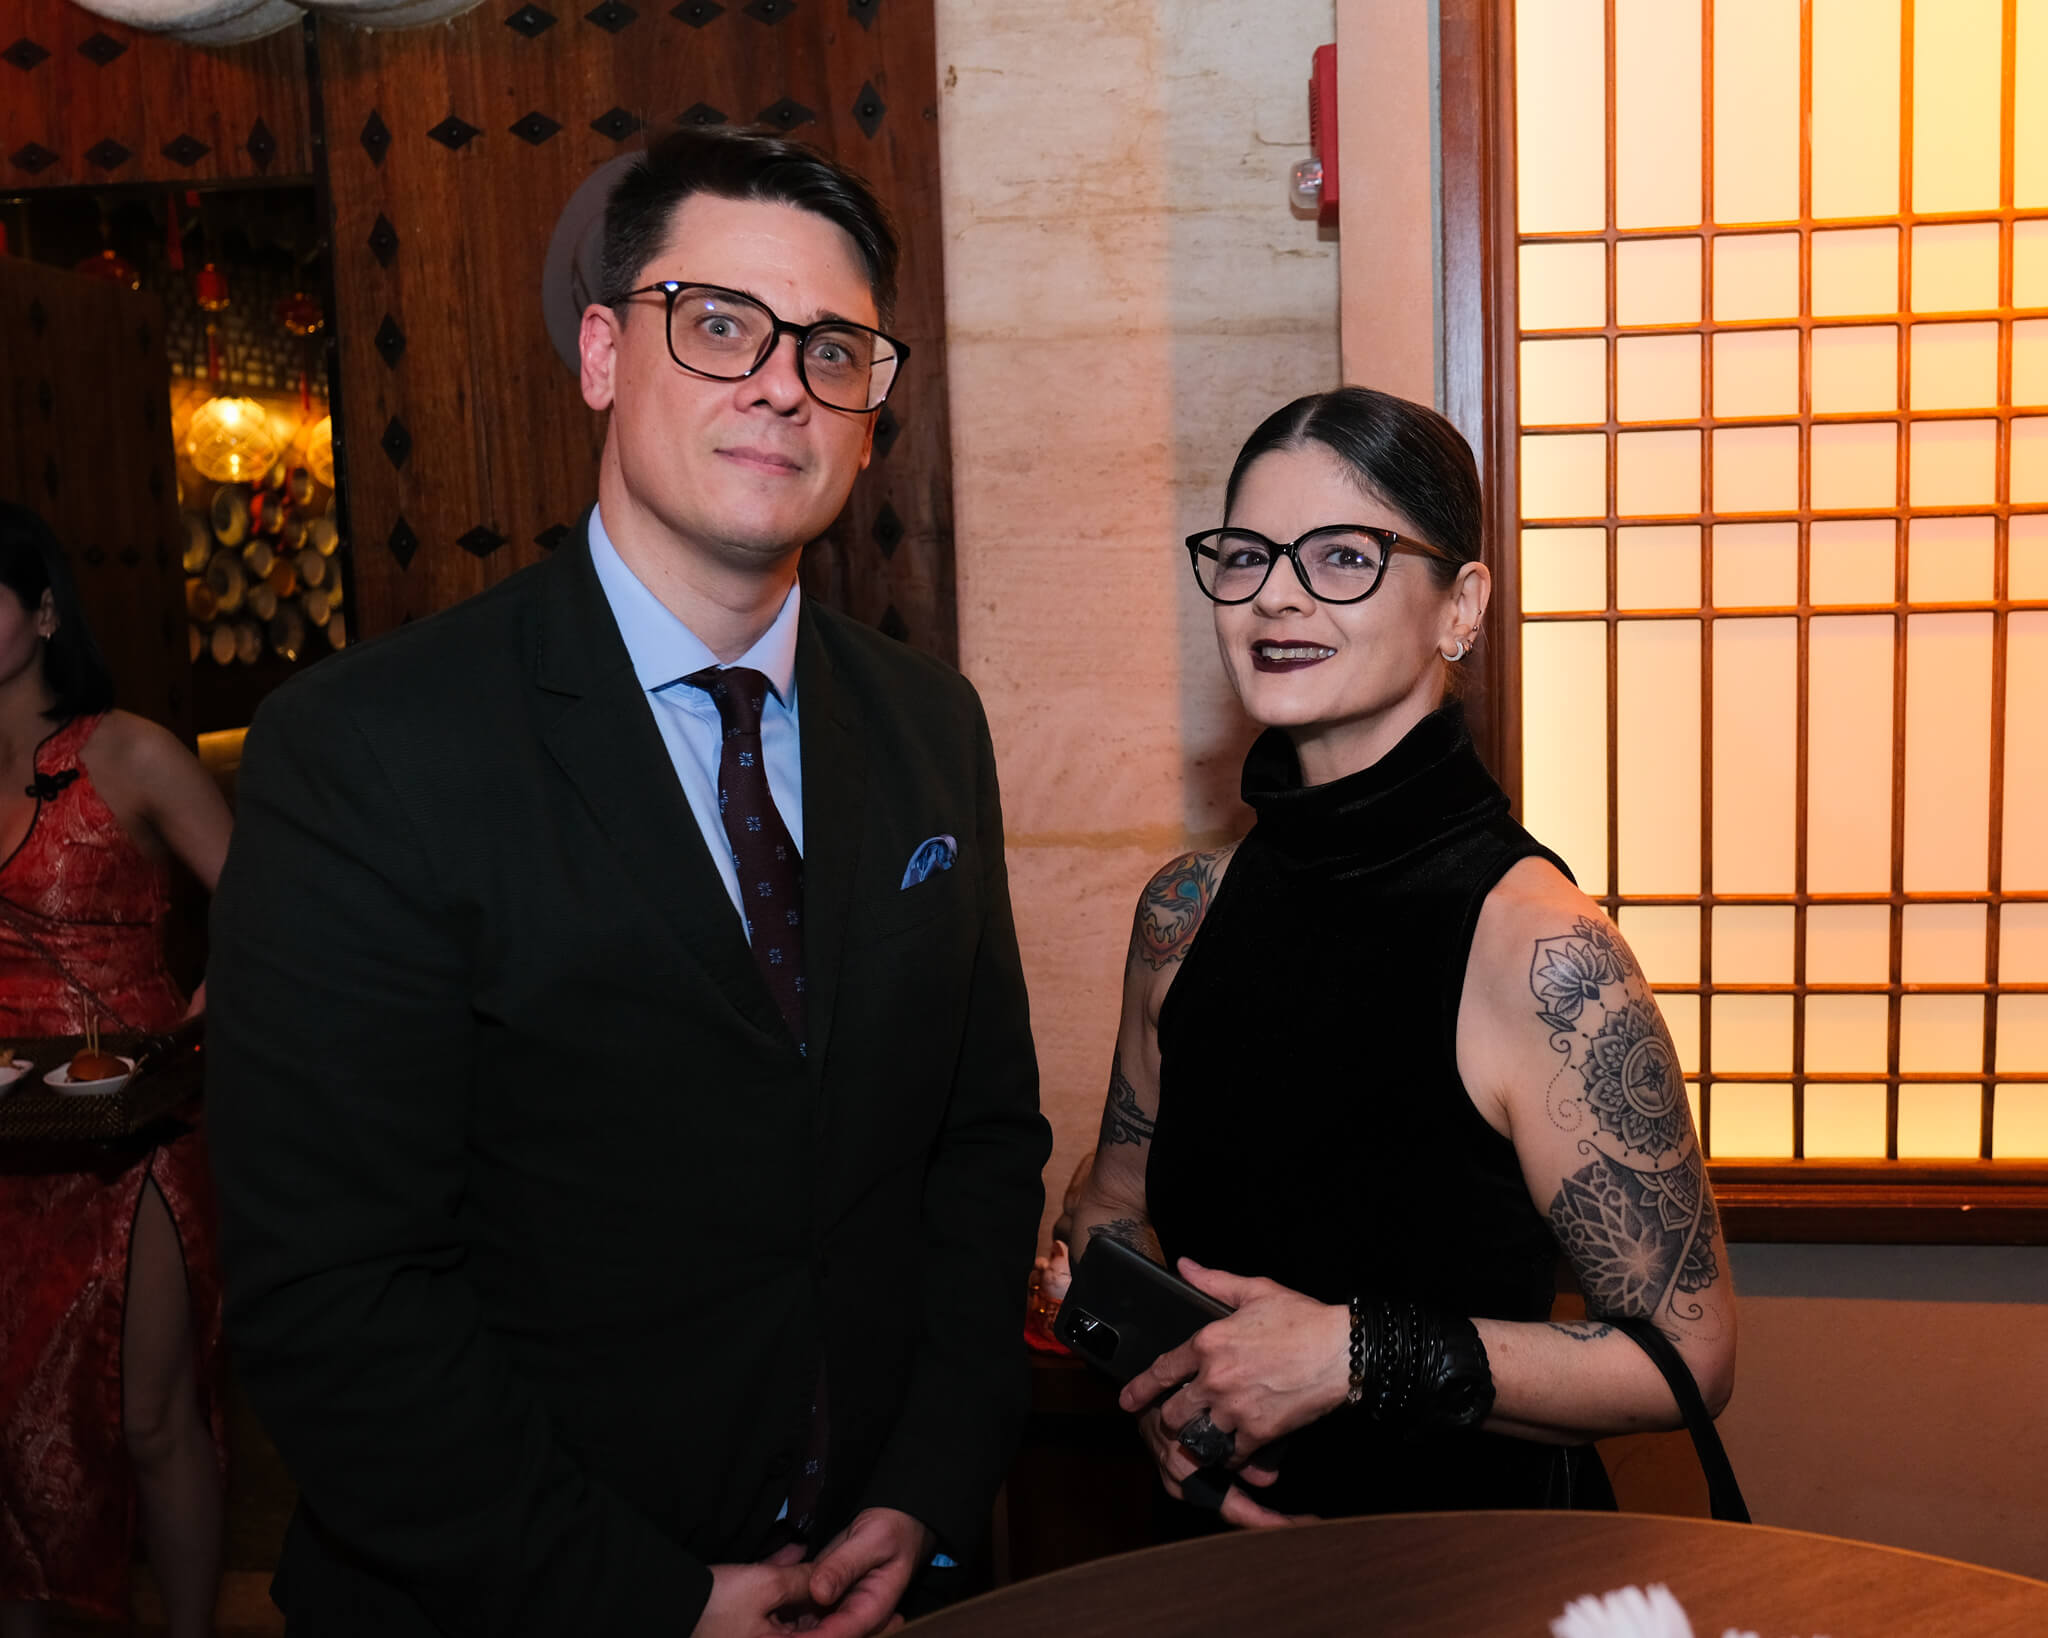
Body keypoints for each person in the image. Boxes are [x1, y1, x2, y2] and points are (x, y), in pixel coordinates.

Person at [206, 125, 1049, 1638]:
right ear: (603, 352)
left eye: (835, 348)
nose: (781, 380)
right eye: (720, 324)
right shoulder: (367, 751)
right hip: (517, 1594)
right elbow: (336, 1291)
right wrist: (646, 1597)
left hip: (878, 1567)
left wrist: (926, 1485)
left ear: (871, 413)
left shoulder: (932, 725)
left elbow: (978, 1148)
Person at [1066, 387, 1736, 1531]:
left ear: (1458, 605)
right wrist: (1164, 1393)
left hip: (1467, 1570)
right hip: (1216, 1563)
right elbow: (1105, 1207)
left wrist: (1349, 1352)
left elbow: (1685, 1359)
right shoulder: (1182, 913)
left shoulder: (1542, 952)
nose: (1275, 595)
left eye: (1341, 556)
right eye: (1245, 554)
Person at [0, 502, 234, 1638]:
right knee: (13, 1425)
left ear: (42, 613)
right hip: (4, 1138)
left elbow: (269, 901)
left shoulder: (124, 750)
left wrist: (196, 1028)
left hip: (132, 1129)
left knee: (148, 1416)